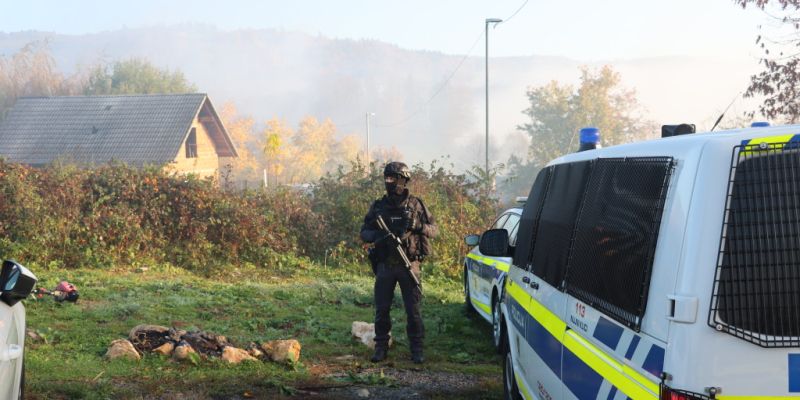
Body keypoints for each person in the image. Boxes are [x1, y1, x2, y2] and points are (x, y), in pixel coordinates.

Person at [360, 161, 437, 364]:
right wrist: (379, 236)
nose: (389, 182)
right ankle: (381, 347)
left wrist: (418, 226)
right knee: (382, 310)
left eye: (393, 178)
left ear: (403, 180)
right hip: (385, 264)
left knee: (413, 311)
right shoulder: (379, 206)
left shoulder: (416, 205)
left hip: (409, 264)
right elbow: (364, 232)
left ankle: (417, 349)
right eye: (386, 178)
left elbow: (434, 230)